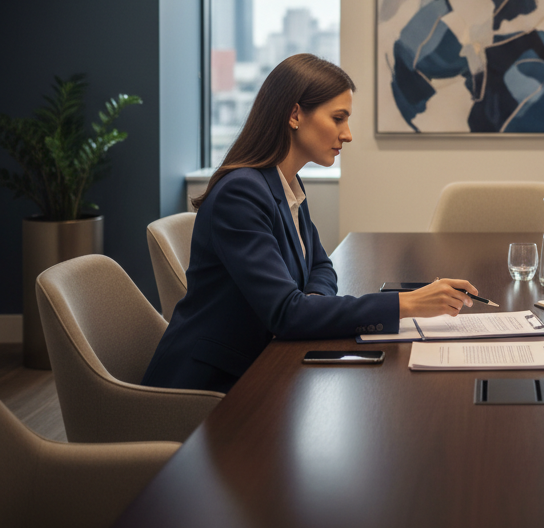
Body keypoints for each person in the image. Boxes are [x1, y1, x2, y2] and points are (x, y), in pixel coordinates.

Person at [143, 54, 478, 393]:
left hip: (261, 367)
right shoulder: (241, 194)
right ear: (294, 114)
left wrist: (312, 304)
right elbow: (287, 315)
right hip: (209, 388)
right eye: (338, 118)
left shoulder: (287, 183)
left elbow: (320, 266)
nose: (347, 134)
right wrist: (406, 304)